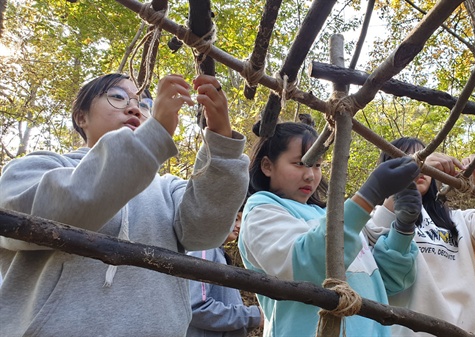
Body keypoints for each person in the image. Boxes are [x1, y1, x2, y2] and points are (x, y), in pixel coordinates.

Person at [0, 73, 250, 336]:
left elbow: (204, 233)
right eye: (117, 97)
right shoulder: (35, 169)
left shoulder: (169, 189)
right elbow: (54, 211)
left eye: (144, 104)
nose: (134, 107)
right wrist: (154, 136)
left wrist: (222, 143)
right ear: (81, 117)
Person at [238, 119, 421, 337]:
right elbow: (306, 265)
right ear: (267, 166)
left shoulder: (330, 217)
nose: (310, 175)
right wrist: (370, 195)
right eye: (300, 163)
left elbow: (386, 283)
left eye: (317, 165)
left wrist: (402, 229)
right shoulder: (261, 210)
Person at [364, 137, 475, 337]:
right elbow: (373, 241)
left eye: (423, 157)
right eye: (406, 160)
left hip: (467, 331)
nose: (419, 165)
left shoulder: (456, 220)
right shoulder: (375, 216)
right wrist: (409, 174)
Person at [187, 208, 264, 337]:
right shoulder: (205, 248)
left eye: (241, 220)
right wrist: (254, 316)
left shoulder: (218, 253)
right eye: (235, 219)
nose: (239, 226)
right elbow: (196, 307)